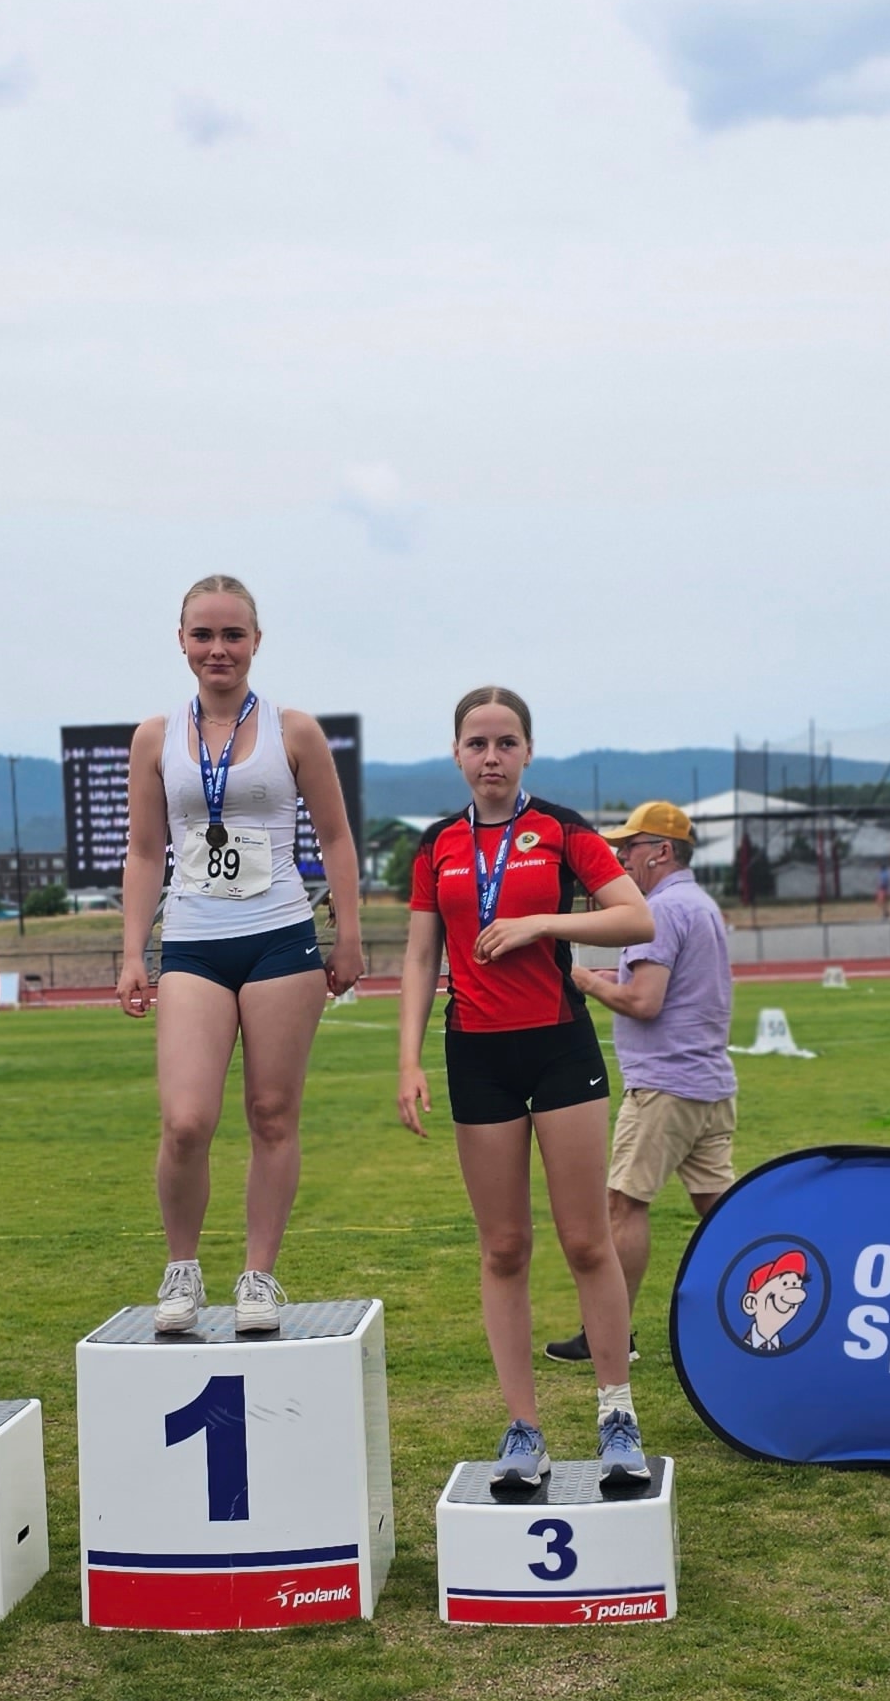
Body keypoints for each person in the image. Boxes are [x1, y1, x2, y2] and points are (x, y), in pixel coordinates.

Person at [394, 687, 655, 1497]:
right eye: (477, 743)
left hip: (558, 1049)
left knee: (586, 1241)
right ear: (458, 754)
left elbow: (635, 917)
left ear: (529, 752)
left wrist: (545, 927)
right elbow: (417, 958)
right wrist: (408, 1061)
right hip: (476, 1057)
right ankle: (524, 1429)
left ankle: (617, 1416)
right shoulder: (437, 844)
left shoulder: (564, 832)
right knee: (504, 1248)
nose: (492, 757)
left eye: (506, 742)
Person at [114, 575, 367, 1337]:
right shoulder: (156, 737)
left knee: (271, 1113)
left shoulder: (295, 731)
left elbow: (335, 837)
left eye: (232, 635)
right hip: (193, 940)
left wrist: (348, 934)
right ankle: (182, 1268)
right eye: (203, 635)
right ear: (181, 641)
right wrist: (133, 951)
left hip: (282, 939)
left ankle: (258, 1276)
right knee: (186, 1119)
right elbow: (145, 848)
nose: (217, 649)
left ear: (257, 641)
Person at [554, 801, 735, 1372]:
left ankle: (609, 1332)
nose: (620, 857)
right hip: (709, 1083)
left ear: (660, 851)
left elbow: (644, 1002)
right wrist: (617, 976)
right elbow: (662, 985)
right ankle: (770, 1294)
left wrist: (581, 977)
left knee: (622, 1205)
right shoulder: (698, 904)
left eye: (629, 847)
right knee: (722, 1210)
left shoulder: (656, 911)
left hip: (664, 1086)